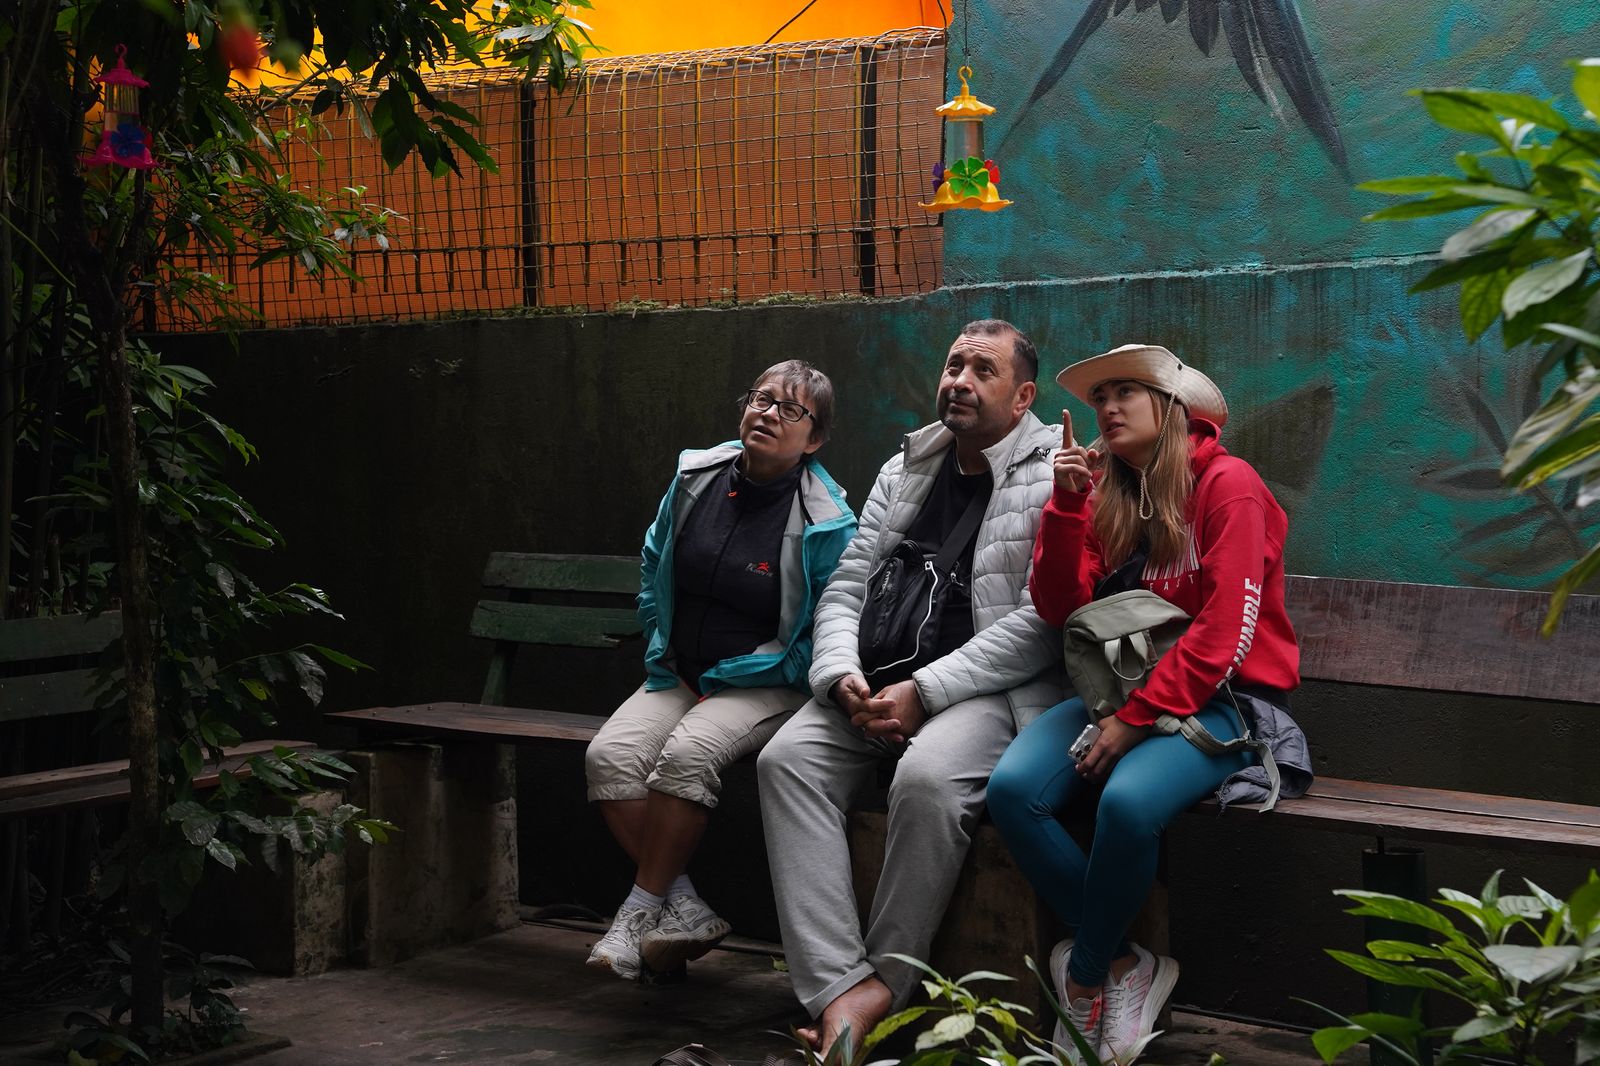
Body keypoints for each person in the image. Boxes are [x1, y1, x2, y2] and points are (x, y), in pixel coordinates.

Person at [986, 344, 1303, 1064]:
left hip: (1222, 700)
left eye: (1126, 392)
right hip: (1122, 694)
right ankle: (1129, 965)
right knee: (1013, 792)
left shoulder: (1230, 485)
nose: (1107, 408)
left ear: (1173, 409)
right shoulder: (1107, 492)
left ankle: (1089, 973)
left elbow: (1228, 629)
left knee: (1125, 805)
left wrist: (1134, 722)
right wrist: (1065, 506)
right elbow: (1061, 606)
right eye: (1100, 398)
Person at [757, 319, 1065, 1058]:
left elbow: (1044, 622)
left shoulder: (1058, 469)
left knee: (926, 782)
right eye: (954, 364)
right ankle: (837, 985)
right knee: (785, 762)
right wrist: (839, 678)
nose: (958, 380)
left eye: (982, 371)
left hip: (990, 690)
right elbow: (846, 585)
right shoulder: (909, 465)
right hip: (877, 679)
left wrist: (926, 692)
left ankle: (884, 985)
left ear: (1022, 397)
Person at [584, 360, 857, 981]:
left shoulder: (827, 521)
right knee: (609, 758)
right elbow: (655, 561)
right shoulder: (695, 476)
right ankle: (681, 906)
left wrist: (734, 677)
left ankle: (636, 911)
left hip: (767, 682)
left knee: (686, 755)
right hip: (680, 673)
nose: (768, 414)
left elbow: (821, 633)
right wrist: (662, 648)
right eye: (761, 400)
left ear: (814, 440)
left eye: (791, 410)